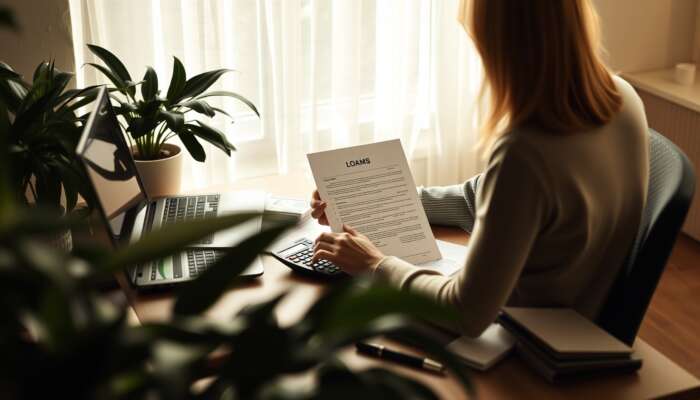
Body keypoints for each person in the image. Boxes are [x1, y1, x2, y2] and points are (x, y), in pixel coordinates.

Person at [309, 0, 649, 337]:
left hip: (525, 344)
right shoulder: (623, 98)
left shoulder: (526, 151)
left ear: (506, 46)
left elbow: (466, 313)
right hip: (575, 322)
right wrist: (374, 203)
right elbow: (488, 198)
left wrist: (375, 265)